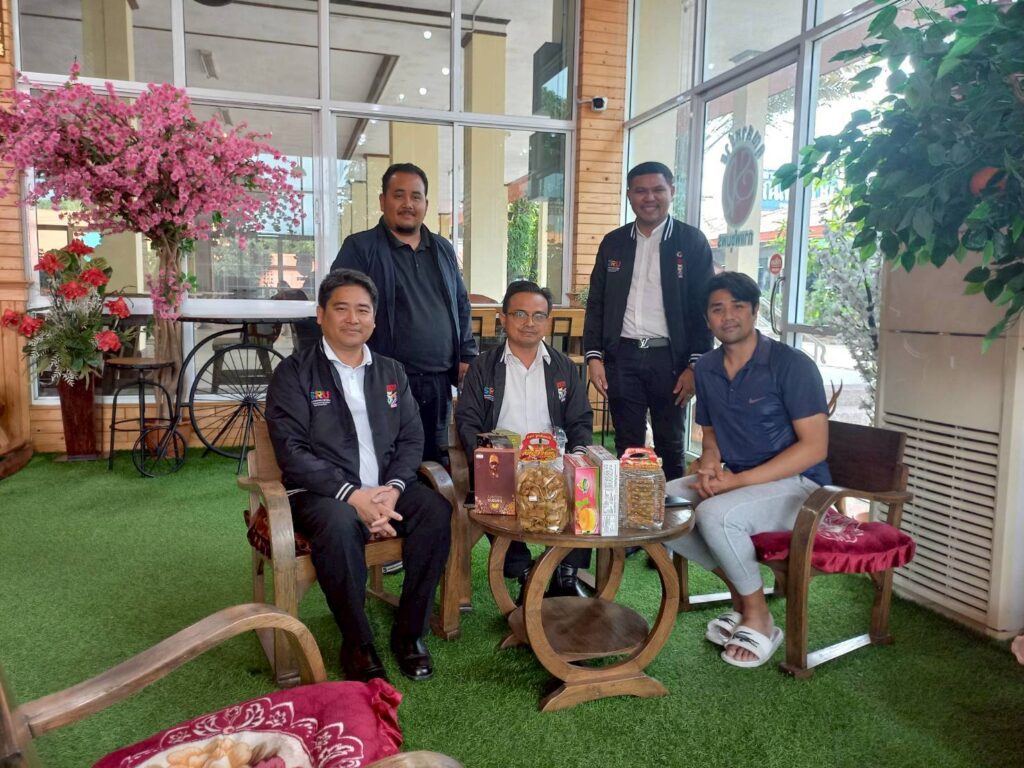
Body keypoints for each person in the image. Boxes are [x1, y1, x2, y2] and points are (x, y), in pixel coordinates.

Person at [266, 269, 452, 683]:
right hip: (321, 493)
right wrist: (353, 495)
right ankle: (357, 641)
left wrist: (393, 490)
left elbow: (411, 438)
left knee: (436, 512)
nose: (353, 319)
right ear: (321, 315)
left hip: (387, 488)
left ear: (374, 318)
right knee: (338, 524)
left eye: (363, 310)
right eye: (342, 309)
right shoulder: (294, 373)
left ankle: (410, 633)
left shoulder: (392, 372)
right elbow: (291, 452)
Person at [664, 271, 831, 668]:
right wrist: (709, 462)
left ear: (755, 311)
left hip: (802, 487)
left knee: (714, 514)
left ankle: (758, 617)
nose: (728, 316)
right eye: (717, 309)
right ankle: (744, 595)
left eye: (738, 306)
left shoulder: (791, 365)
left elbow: (814, 447)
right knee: (660, 505)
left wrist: (735, 482)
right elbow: (710, 433)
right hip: (743, 483)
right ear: (707, 318)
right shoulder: (706, 368)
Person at [331, 162, 477, 468]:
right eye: (399, 195)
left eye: (416, 196)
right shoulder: (360, 248)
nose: (408, 204)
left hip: (438, 381)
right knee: (390, 461)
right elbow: (340, 305)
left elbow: (461, 303)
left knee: (435, 461)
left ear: (426, 204)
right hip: (385, 381)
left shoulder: (442, 249)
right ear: (383, 200)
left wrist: (466, 353)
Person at [456, 281, 594, 598]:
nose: (529, 322)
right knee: (495, 485)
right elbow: (468, 422)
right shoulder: (483, 368)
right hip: (503, 465)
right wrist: (496, 457)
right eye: (520, 314)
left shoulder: (562, 367)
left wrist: (577, 457)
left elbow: (580, 420)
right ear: (503, 318)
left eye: (538, 315)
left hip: (555, 465)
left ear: (547, 321)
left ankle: (566, 573)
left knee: (585, 482)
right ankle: (524, 571)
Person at [583, 160, 714, 481]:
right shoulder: (613, 243)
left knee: (671, 445)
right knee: (627, 444)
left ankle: (671, 508)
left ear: (672, 191)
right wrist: (594, 357)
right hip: (622, 357)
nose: (649, 197)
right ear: (629, 195)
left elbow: (704, 309)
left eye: (658, 190)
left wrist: (695, 365)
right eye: (641, 191)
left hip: (671, 360)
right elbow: (596, 303)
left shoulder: (691, 242)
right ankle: (630, 506)